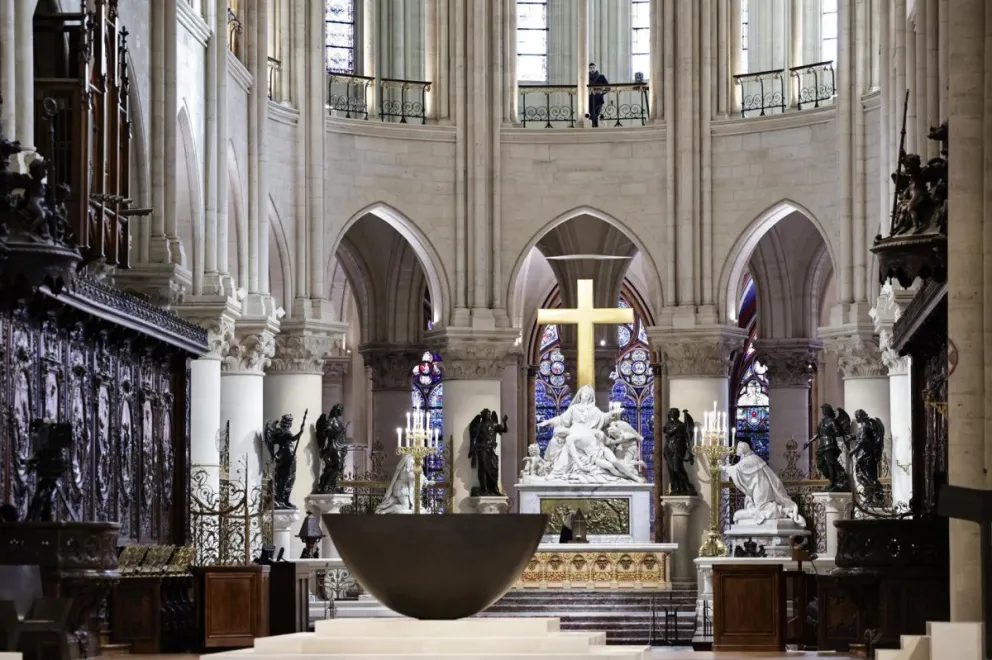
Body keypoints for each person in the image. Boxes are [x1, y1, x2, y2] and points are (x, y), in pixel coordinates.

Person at [587, 62, 609, 127]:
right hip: (589, 98)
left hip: (598, 98)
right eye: (591, 68)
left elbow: (608, 88)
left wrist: (602, 93)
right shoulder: (586, 77)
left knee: (596, 113)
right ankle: (593, 127)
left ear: (596, 68)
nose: (592, 69)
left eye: (593, 67)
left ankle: (595, 127)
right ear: (589, 69)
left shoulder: (601, 77)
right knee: (591, 114)